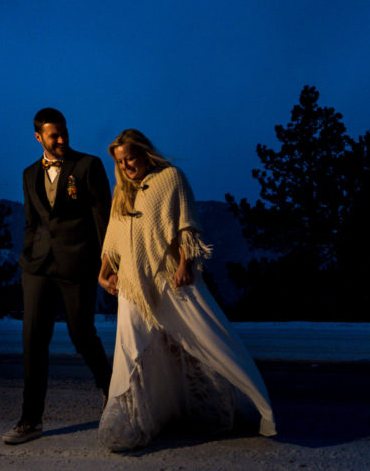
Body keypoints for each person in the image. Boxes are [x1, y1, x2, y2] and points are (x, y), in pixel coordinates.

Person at [97, 129, 276, 451]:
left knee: (205, 335)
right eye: (120, 162)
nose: (126, 166)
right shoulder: (122, 192)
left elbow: (186, 225)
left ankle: (253, 403)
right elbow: (114, 239)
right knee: (132, 348)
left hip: (169, 276)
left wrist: (185, 265)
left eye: (130, 158)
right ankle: (137, 418)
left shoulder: (170, 178)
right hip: (132, 286)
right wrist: (103, 274)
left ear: (144, 153)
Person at [3, 108, 113, 445]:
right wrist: (26, 257)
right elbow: (32, 222)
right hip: (37, 268)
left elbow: (103, 219)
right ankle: (30, 420)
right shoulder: (28, 173)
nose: (62, 139)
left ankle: (114, 394)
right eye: (54, 135)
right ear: (39, 137)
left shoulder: (88, 166)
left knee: (82, 335)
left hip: (77, 265)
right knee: (33, 342)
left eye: (64, 132)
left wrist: (106, 265)